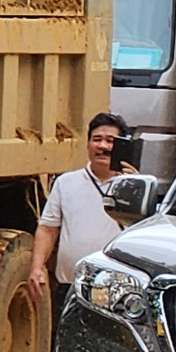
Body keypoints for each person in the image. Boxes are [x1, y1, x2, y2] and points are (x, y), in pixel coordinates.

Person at [29, 112, 137, 311]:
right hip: (70, 288)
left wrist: (135, 186)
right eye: (97, 140)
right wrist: (37, 268)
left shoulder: (134, 186)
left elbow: (144, 232)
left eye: (110, 141)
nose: (103, 146)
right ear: (88, 145)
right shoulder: (66, 183)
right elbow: (47, 229)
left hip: (116, 290)